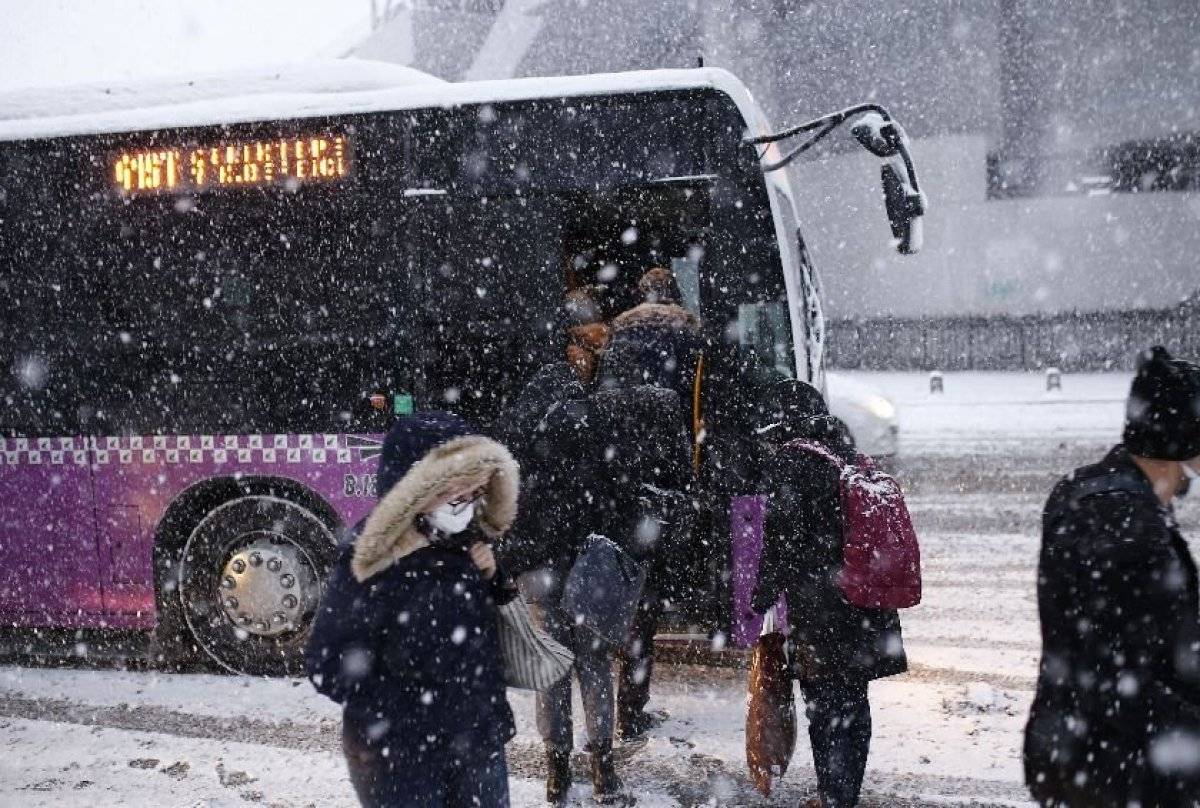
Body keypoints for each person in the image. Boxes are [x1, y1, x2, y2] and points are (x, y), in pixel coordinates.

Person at [305, 412, 520, 808]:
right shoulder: (370, 560)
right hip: (402, 760)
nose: (465, 505)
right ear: (414, 488)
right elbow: (327, 665)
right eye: (454, 493)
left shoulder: (467, 543)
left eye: (474, 492)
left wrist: (494, 578)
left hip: (477, 744)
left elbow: (480, 639)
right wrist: (406, 714)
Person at [1024, 346, 1200, 807]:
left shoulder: (1087, 490)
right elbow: (1136, 665)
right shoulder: (1128, 524)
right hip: (1122, 767)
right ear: (1183, 440)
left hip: (1077, 746)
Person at [752, 381, 907, 808]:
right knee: (854, 704)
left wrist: (760, 595)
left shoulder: (792, 462)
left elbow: (782, 541)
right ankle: (844, 793)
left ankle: (834, 796)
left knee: (825, 707)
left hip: (823, 607)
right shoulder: (846, 453)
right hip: (864, 599)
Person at [494, 363, 628, 805]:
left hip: (540, 571)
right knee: (594, 665)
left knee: (551, 669)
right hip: (589, 569)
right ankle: (604, 770)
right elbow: (615, 499)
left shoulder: (523, 433)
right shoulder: (597, 428)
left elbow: (510, 509)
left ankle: (557, 772)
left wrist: (512, 561)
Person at [596, 266, 702, 740]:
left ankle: (606, 707)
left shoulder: (617, 338)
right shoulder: (688, 339)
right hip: (657, 496)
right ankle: (632, 705)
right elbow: (692, 417)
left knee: (612, 600)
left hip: (615, 492)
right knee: (647, 603)